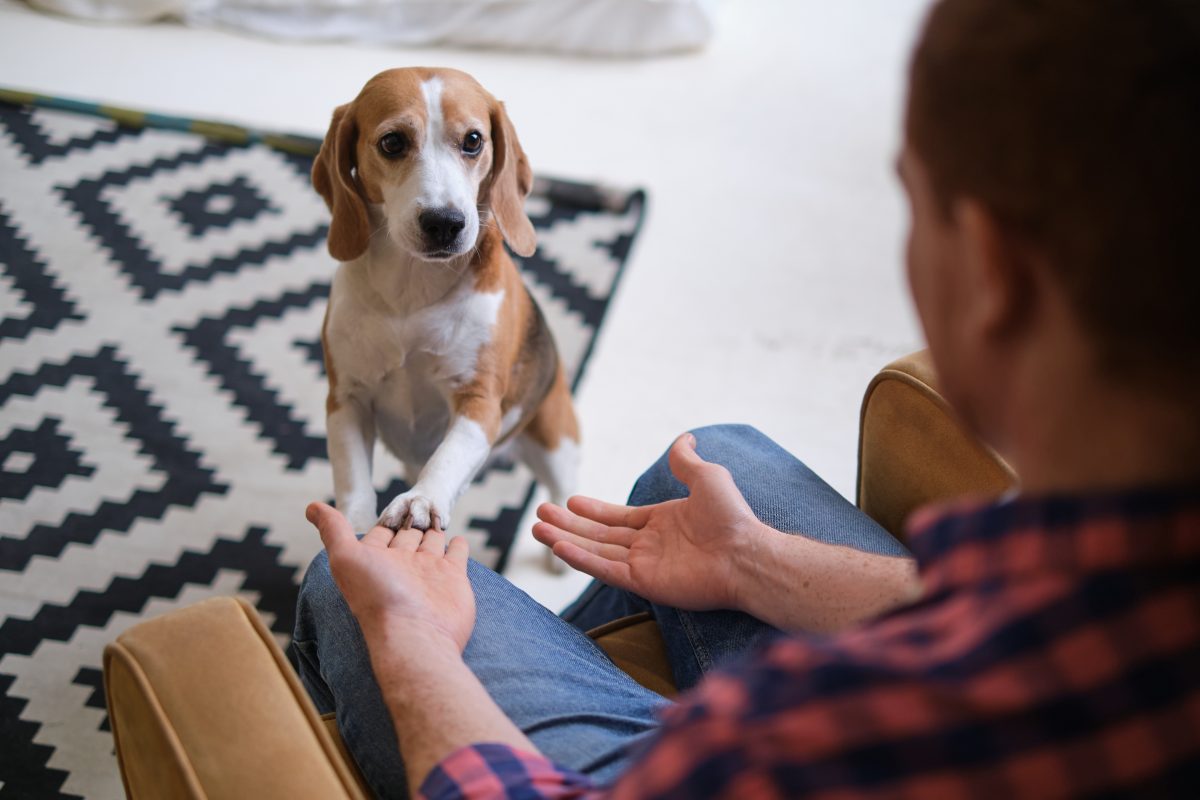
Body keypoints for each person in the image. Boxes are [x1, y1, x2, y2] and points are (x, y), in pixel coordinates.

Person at [292, 0, 1200, 796]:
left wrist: (412, 639)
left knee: (351, 579)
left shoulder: (783, 742)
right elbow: (1020, 607)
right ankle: (584, 634)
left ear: (992, 274)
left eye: (913, 207)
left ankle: (520, 650)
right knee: (718, 456)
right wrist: (759, 563)